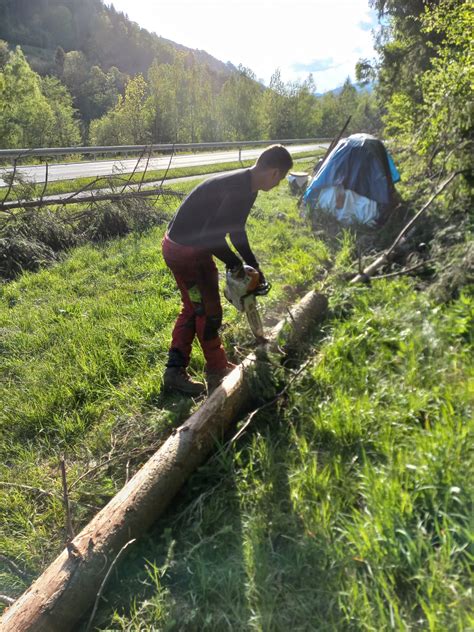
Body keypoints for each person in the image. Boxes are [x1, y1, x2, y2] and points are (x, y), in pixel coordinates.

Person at [162, 144, 293, 395]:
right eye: (282, 178)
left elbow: (236, 230)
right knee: (208, 312)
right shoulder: (238, 189)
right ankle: (217, 369)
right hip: (187, 250)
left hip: (180, 244)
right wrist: (235, 265)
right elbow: (212, 239)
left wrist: (253, 265)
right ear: (275, 173)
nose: (279, 184)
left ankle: (174, 371)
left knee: (193, 307)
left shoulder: (248, 187)